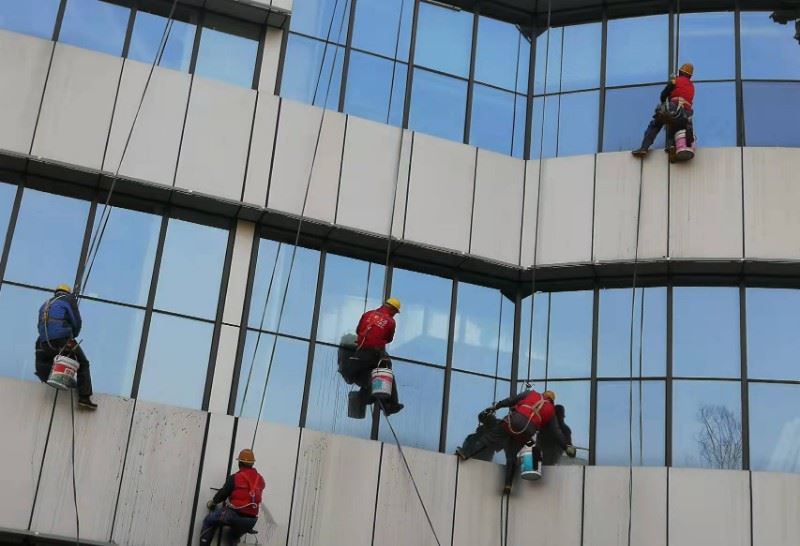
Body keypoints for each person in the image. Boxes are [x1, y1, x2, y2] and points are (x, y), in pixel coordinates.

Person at [456, 389, 576, 494]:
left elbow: (511, 400)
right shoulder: (551, 411)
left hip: (514, 422)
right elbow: (556, 432)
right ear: (552, 401)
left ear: (543, 394)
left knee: (489, 438)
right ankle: (508, 485)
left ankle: (466, 453)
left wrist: (497, 406)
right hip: (527, 431)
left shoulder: (531, 393)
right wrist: (566, 446)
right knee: (512, 455)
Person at [34, 284, 97, 410]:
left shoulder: (45, 304)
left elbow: (40, 324)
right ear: (67, 293)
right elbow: (76, 321)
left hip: (44, 342)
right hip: (62, 339)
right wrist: (73, 334)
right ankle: (84, 398)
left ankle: (49, 378)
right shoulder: (68, 300)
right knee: (83, 363)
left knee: (50, 359)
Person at [340, 298, 404, 416]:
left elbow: (358, 330)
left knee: (368, 377)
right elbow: (389, 339)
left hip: (360, 352)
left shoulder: (368, 314)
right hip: (375, 353)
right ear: (392, 310)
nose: (394, 314)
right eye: (395, 312)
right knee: (386, 373)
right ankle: (390, 405)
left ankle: (364, 398)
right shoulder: (390, 321)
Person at [200, 449, 266, 546]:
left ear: (240, 463)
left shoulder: (235, 478)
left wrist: (213, 503)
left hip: (235, 515)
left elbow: (223, 493)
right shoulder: (260, 479)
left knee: (209, 520)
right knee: (233, 536)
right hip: (251, 521)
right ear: (252, 464)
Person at [632, 63, 695, 159]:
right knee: (675, 126)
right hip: (686, 115)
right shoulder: (692, 86)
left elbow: (663, 95)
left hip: (674, 108)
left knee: (656, 124)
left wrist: (668, 97)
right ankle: (672, 146)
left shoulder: (675, 80)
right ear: (690, 76)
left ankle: (644, 148)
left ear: (680, 72)